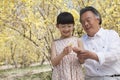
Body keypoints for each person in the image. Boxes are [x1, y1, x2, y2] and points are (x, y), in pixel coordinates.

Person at [73, 6, 120, 80]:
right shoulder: (80, 41)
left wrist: (93, 55)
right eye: (82, 22)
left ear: (97, 19)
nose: (85, 24)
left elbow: (115, 55)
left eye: (88, 20)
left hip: (111, 77)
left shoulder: (111, 35)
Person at [51, 12, 84, 80]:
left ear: (73, 25)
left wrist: (79, 54)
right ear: (57, 26)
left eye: (69, 26)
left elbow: (82, 61)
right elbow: (54, 63)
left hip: (75, 75)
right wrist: (63, 54)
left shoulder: (78, 40)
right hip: (60, 76)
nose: (66, 29)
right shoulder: (55, 43)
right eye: (63, 26)